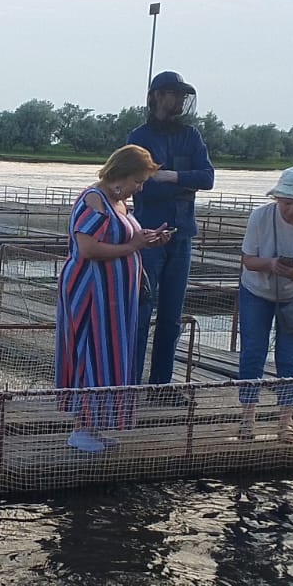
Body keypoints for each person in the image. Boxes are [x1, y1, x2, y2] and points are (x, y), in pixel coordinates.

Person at [56, 144, 170, 453]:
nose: (140, 187)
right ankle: (80, 428)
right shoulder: (94, 199)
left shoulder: (118, 202)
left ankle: (93, 426)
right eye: (138, 180)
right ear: (121, 174)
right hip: (91, 291)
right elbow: (88, 249)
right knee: (91, 352)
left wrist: (146, 239)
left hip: (114, 296)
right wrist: (133, 247)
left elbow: (121, 238)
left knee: (108, 354)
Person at [128, 71, 215, 385]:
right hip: (148, 234)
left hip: (182, 234)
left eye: (182, 95)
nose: (179, 101)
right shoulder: (139, 137)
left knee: (171, 317)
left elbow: (207, 178)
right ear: (158, 96)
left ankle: (161, 385)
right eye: (174, 94)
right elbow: (139, 185)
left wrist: (172, 177)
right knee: (141, 311)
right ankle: (130, 382)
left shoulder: (191, 135)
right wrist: (182, 182)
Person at [236, 166, 293, 442]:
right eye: (286, 203)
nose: (291, 209)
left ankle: (285, 421)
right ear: (277, 199)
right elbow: (248, 260)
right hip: (256, 289)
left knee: (290, 358)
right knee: (253, 352)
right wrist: (271, 264)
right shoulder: (260, 216)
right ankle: (247, 416)